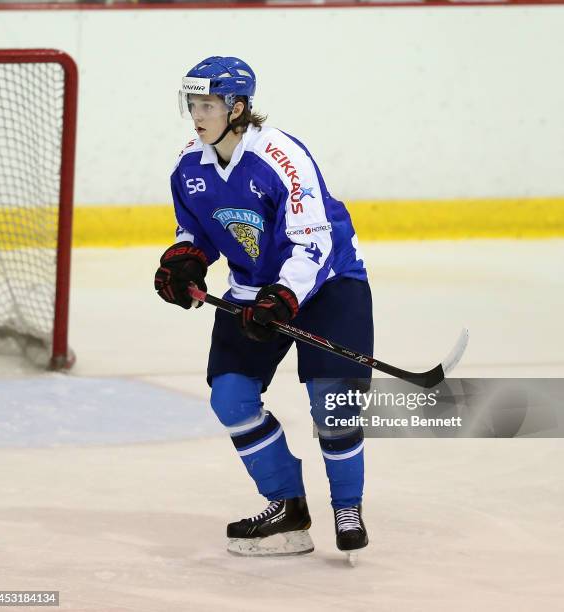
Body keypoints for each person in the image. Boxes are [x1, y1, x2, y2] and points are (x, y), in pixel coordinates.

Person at [154, 56, 373, 559]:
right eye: (192, 103)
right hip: (255, 291)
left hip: (326, 285)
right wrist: (185, 260)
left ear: (238, 107)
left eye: (206, 104)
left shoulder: (280, 157)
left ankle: (348, 506)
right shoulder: (190, 164)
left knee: (333, 405)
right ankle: (287, 509)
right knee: (230, 399)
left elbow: (312, 243)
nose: (197, 114)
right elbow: (195, 231)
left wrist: (284, 297)